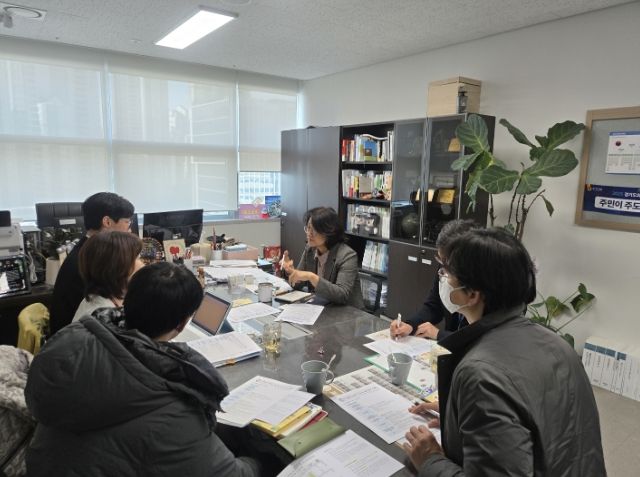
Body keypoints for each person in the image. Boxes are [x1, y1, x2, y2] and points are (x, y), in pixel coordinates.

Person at [25, 262, 260, 477]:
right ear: (181, 324)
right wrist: (263, 459)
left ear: (126, 300)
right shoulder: (173, 411)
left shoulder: (73, 348)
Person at [403, 228, 606, 476]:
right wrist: (456, 416)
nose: (442, 279)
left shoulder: (480, 373)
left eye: (446, 273)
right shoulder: (558, 344)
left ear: (472, 294)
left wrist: (430, 459)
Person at [49, 192, 135, 336]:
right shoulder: (91, 260)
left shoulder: (88, 250)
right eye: (127, 222)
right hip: (75, 338)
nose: (129, 229)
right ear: (107, 222)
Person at [390, 220, 478, 341]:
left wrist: (438, 334)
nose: (443, 271)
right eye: (441, 261)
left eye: (447, 265)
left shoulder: (480, 287)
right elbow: (434, 306)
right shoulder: (445, 266)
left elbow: (478, 340)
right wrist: (410, 325)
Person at [281, 207, 363, 308]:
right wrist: (291, 272)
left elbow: (342, 295)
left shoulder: (347, 255)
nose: (309, 233)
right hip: (321, 307)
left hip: (347, 312)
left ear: (329, 231)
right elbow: (298, 285)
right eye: (308, 228)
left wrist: (311, 277)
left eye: (314, 230)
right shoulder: (310, 250)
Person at [72, 231, 143, 322]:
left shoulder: (108, 298)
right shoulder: (102, 316)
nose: (142, 263)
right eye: (137, 258)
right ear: (117, 266)